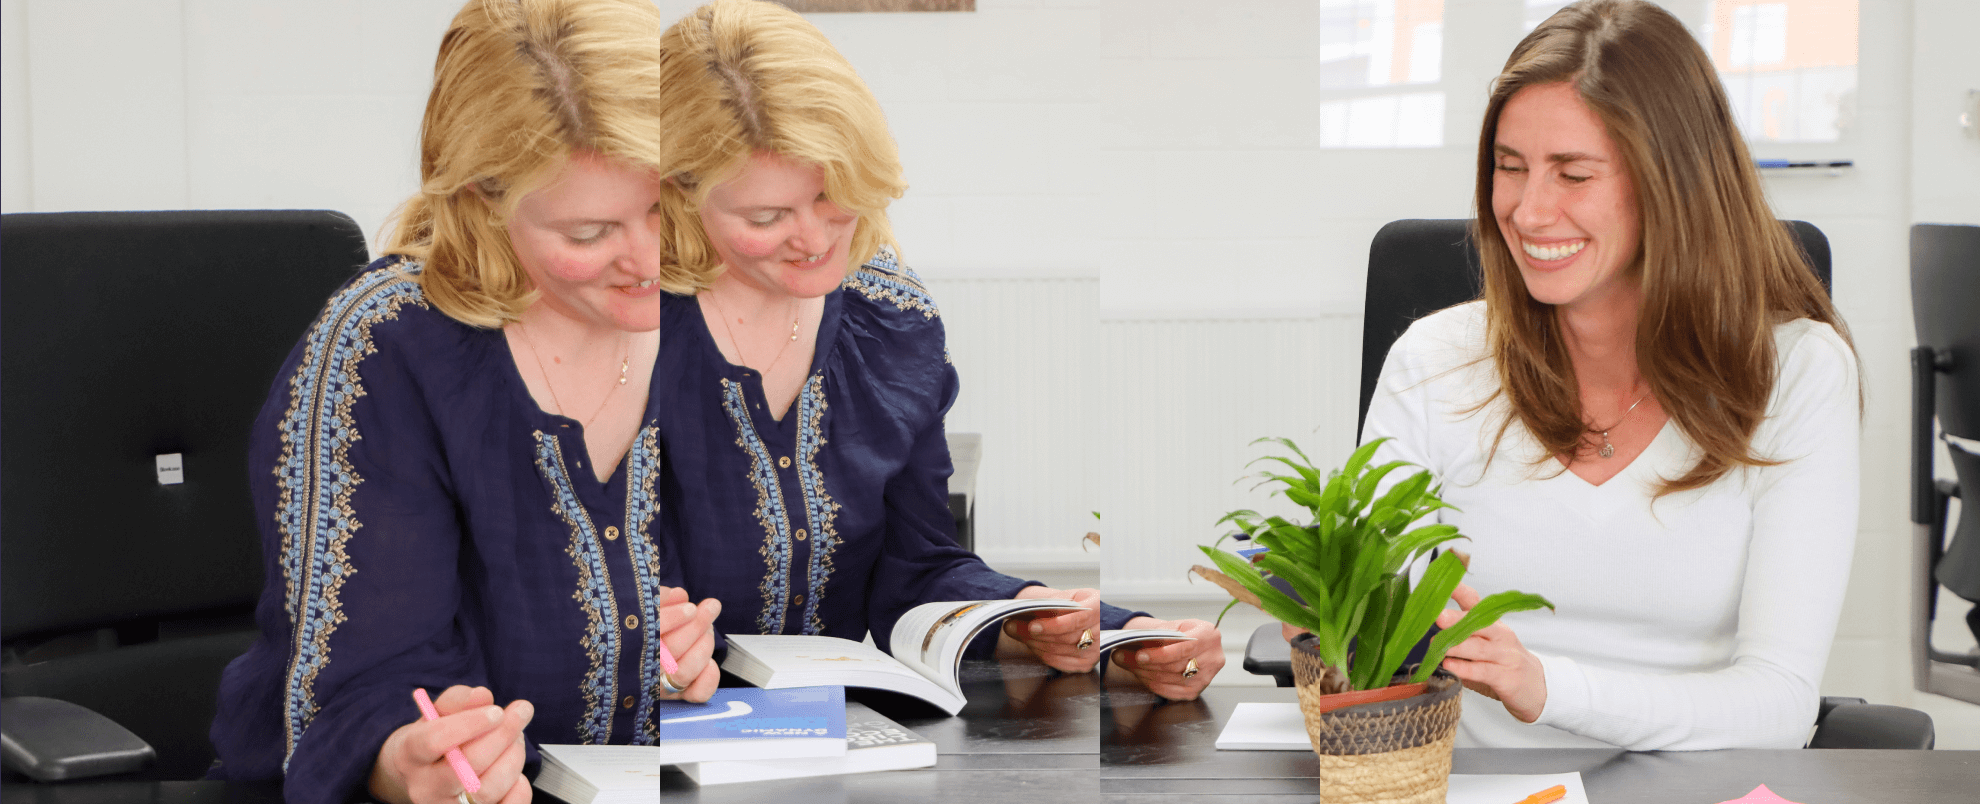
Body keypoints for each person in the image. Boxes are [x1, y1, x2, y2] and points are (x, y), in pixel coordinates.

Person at [650, 0, 1223, 704]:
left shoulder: (889, 318)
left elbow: (916, 566)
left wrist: (1053, 620)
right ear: (678, 195)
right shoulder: (619, 328)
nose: (813, 237)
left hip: (820, 731)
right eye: (766, 217)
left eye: (833, 196)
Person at [208, 2, 682, 802]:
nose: (651, 258)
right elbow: (371, 683)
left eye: (668, 207)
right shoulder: (387, 349)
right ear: (481, 201)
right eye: (591, 231)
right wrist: (409, 762)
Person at [1357, 0, 1859, 750]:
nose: (1528, 212)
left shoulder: (1797, 373)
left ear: (1673, 184)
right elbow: (1367, 638)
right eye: (1510, 167)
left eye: (1574, 174)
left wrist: (1545, 688)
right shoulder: (1435, 362)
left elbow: (1780, 704)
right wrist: (1329, 612)